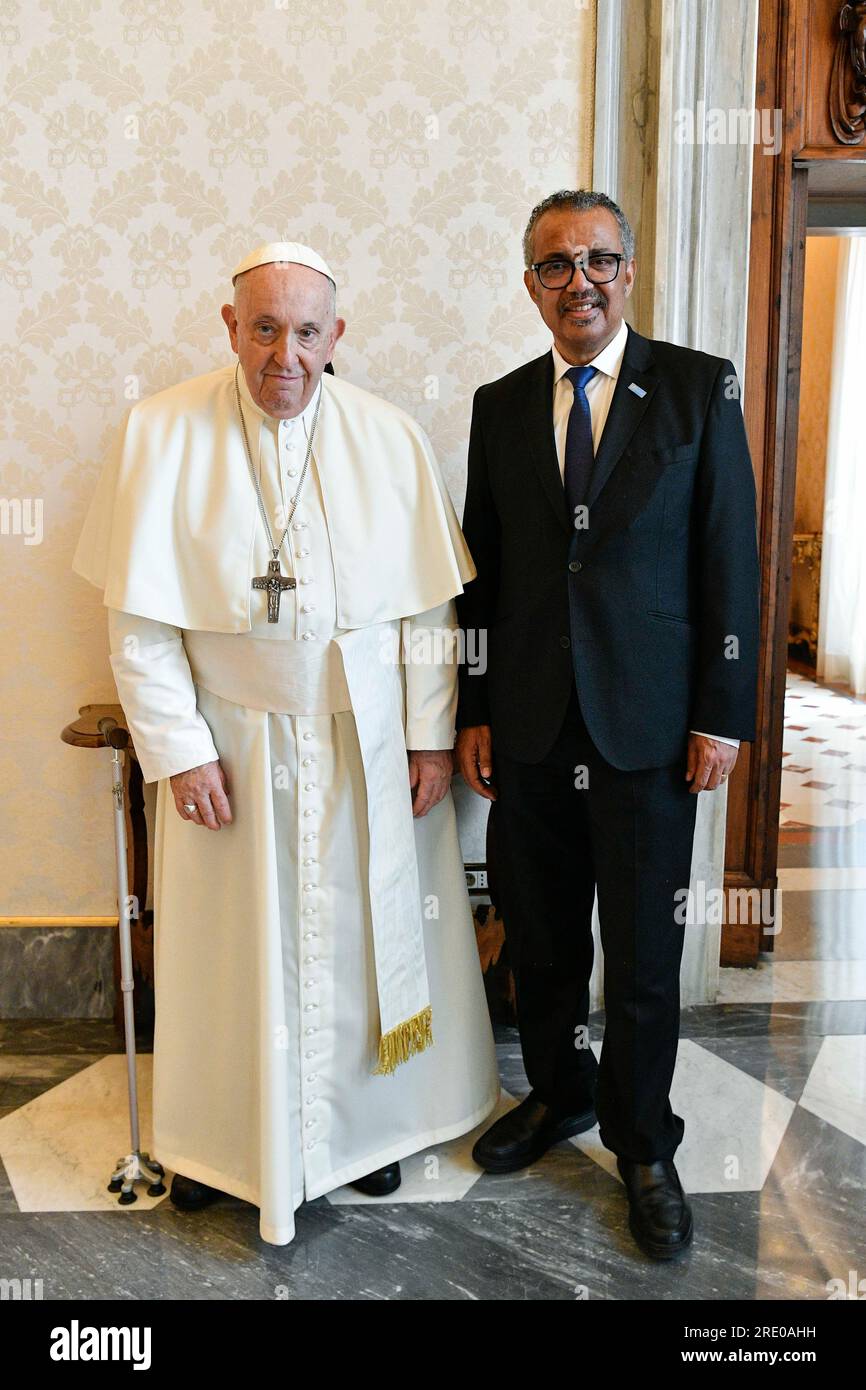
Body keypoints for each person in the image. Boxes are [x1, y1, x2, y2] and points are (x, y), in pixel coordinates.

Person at [73, 241, 499, 1247]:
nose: (285, 356)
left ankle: (367, 1130)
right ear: (230, 328)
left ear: (335, 336)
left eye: (306, 332)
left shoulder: (388, 438)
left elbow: (428, 611)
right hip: (229, 745)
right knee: (232, 950)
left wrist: (430, 740)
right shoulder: (159, 432)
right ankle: (225, 1139)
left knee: (364, 934)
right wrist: (178, 750)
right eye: (263, 328)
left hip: (365, 739)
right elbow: (139, 625)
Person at [455, 191, 759, 1260]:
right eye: (552, 264)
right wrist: (475, 707)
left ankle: (641, 1141)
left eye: (596, 259)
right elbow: (478, 578)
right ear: (527, 282)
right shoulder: (496, 406)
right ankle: (556, 1095)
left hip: (648, 728)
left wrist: (722, 714)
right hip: (531, 726)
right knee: (539, 940)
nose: (576, 279)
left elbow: (728, 556)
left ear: (627, 270)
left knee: (636, 953)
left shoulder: (693, 385)